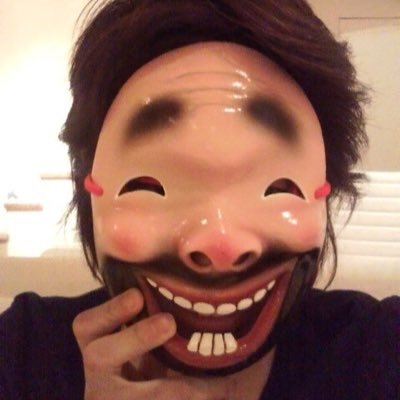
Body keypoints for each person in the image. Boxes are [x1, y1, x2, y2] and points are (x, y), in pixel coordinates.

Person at [0, 0, 398, 399]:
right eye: (149, 186)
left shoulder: (380, 351)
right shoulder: (22, 355)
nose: (220, 246)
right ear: (89, 193)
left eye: (279, 187)